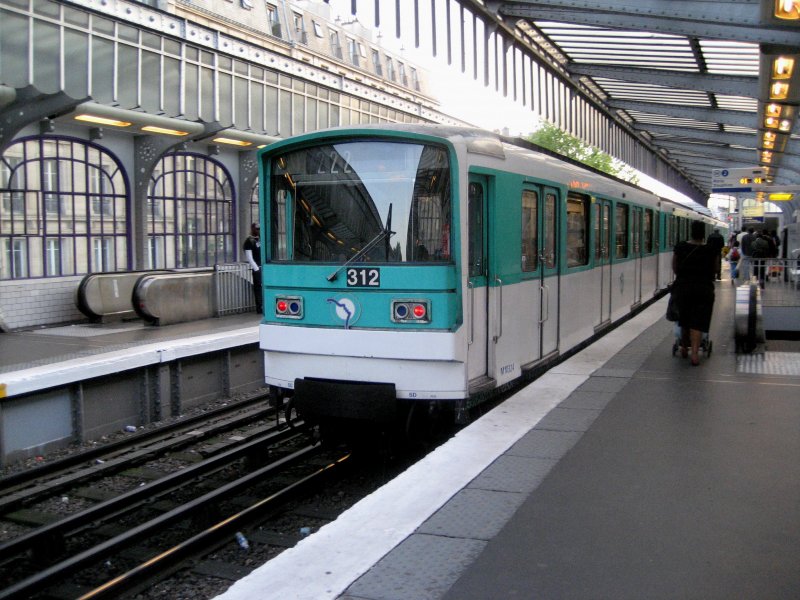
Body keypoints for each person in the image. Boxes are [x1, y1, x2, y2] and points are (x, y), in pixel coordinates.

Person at [672, 220, 716, 366]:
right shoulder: (711, 249)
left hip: (684, 287)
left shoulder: (681, 246)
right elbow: (715, 269)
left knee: (684, 319)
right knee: (697, 322)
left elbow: (675, 266)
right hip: (703, 289)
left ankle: (684, 347)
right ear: (703, 233)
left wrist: (684, 275)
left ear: (691, 231)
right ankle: (695, 354)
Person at [243, 223, 262, 313]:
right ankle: (259, 306)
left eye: (259, 229)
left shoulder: (260, 239)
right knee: (258, 287)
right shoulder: (249, 241)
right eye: (257, 229)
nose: (258, 231)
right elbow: (249, 257)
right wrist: (256, 269)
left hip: (263, 266)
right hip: (257, 267)